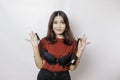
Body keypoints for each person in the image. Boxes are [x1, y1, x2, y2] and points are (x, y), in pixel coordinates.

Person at [26, 11, 90, 80]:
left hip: (63, 77)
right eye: (55, 22)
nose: (59, 26)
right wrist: (35, 47)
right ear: (51, 24)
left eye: (62, 22)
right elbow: (39, 66)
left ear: (66, 25)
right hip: (44, 76)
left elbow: (72, 68)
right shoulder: (44, 41)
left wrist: (80, 51)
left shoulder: (73, 43)